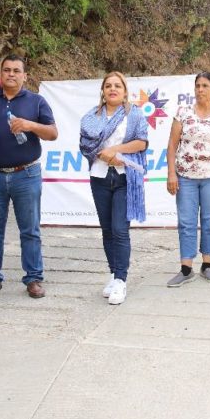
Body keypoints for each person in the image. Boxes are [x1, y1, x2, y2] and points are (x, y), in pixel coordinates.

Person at [0, 54, 58, 300]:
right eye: (7, 70)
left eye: (17, 71)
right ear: (0, 74)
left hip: (26, 174)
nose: (11, 74)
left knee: (30, 230)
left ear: (25, 76)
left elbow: (52, 133)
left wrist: (30, 125)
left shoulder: (36, 102)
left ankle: (34, 278)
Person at [79, 72, 149, 306]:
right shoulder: (92, 116)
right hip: (99, 176)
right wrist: (103, 155)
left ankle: (121, 279)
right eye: (108, 85)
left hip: (124, 177)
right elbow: (86, 145)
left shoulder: (134, 114)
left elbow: (141, 142)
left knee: (120, 230)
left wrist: (115, 151)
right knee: (107, 230)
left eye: (117, 86)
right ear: (103, 90)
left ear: (125, 91)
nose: (112, 89)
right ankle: (113, 273)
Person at [165, 72, 210, 286]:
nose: (200, 90)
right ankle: (186, 268)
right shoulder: (183, 113)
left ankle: (207, 265)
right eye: (197, 86)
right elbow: (172, 146)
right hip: (185, 177)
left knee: (209, 221)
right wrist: (171, 173)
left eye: (205, 86)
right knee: (186, 222)